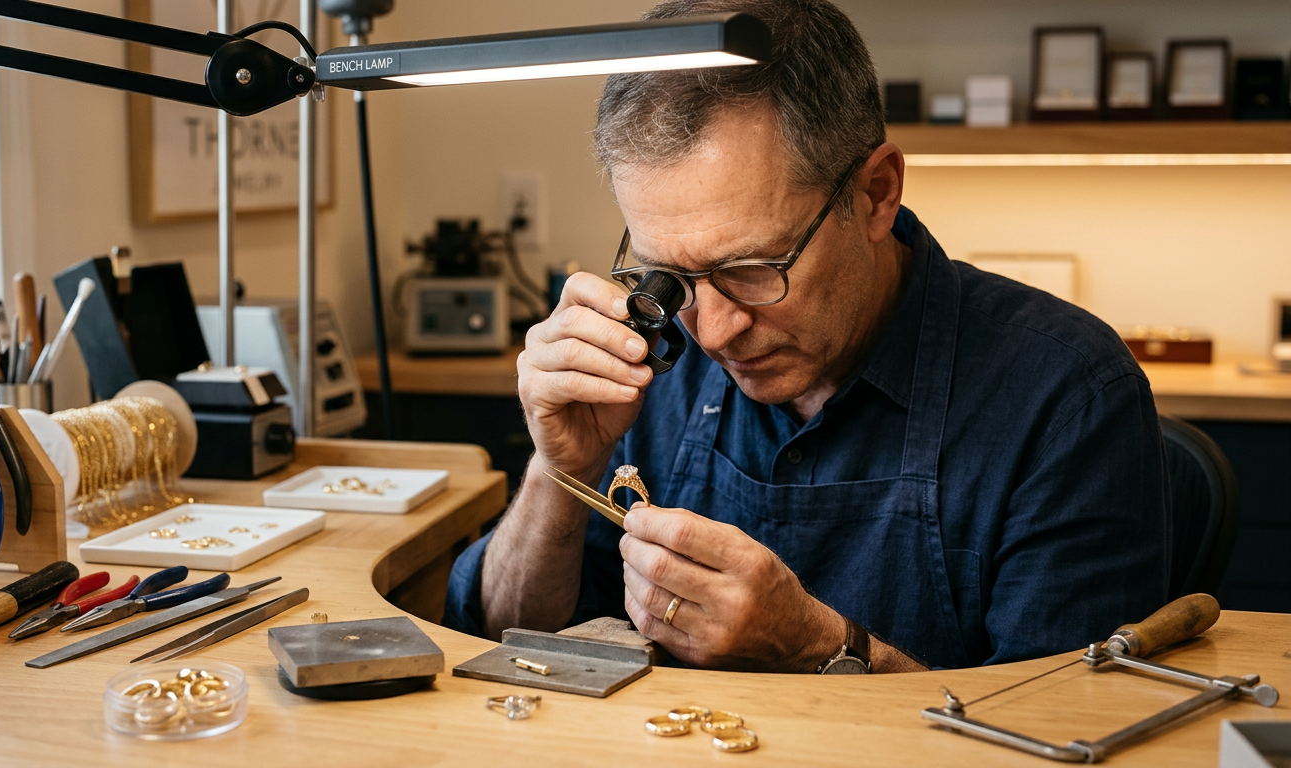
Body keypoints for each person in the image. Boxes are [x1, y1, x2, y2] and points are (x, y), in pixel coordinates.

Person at [445, 0, 1169, 673]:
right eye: (669, 277)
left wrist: (815, 647)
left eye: (755, 268)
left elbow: (1059, 735)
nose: (716, 331)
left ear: (878, 192)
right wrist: (559, 470)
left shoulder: (1067, 397)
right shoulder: (653, 357)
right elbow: (515, 643)